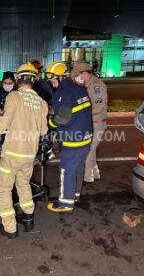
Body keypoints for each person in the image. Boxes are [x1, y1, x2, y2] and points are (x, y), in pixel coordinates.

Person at [0, 62, 48, 238]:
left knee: (3, 189)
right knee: (23, 184)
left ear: (17, 79)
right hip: (30, 154)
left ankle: (10, 229)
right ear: (35, 79)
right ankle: (28, 220)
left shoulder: (14, 97)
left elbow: (2, 125)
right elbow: (44, 130)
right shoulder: (41, 102)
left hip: (12, 153)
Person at [46, 62, 93, 213]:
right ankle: (74, 196)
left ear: (60, 77)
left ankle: (65, 203)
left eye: (53, 80)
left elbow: (63, 118)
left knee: (67, 170)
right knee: (78, 168)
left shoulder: (64, 92)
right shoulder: (78, 89)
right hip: (85, 138)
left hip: (73, 140)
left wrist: (49, 122)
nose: (52, 84)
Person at [77, 63, 108, 183]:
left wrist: (81, 114)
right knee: (92, 148)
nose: (80, 78)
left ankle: (87, 176)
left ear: (86, 73)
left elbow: (99, 108)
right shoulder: (88, 84)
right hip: (93, 122)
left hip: (97, 122)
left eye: (81, 75)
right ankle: (95, 173)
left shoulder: (96, 86)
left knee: (89, 149)